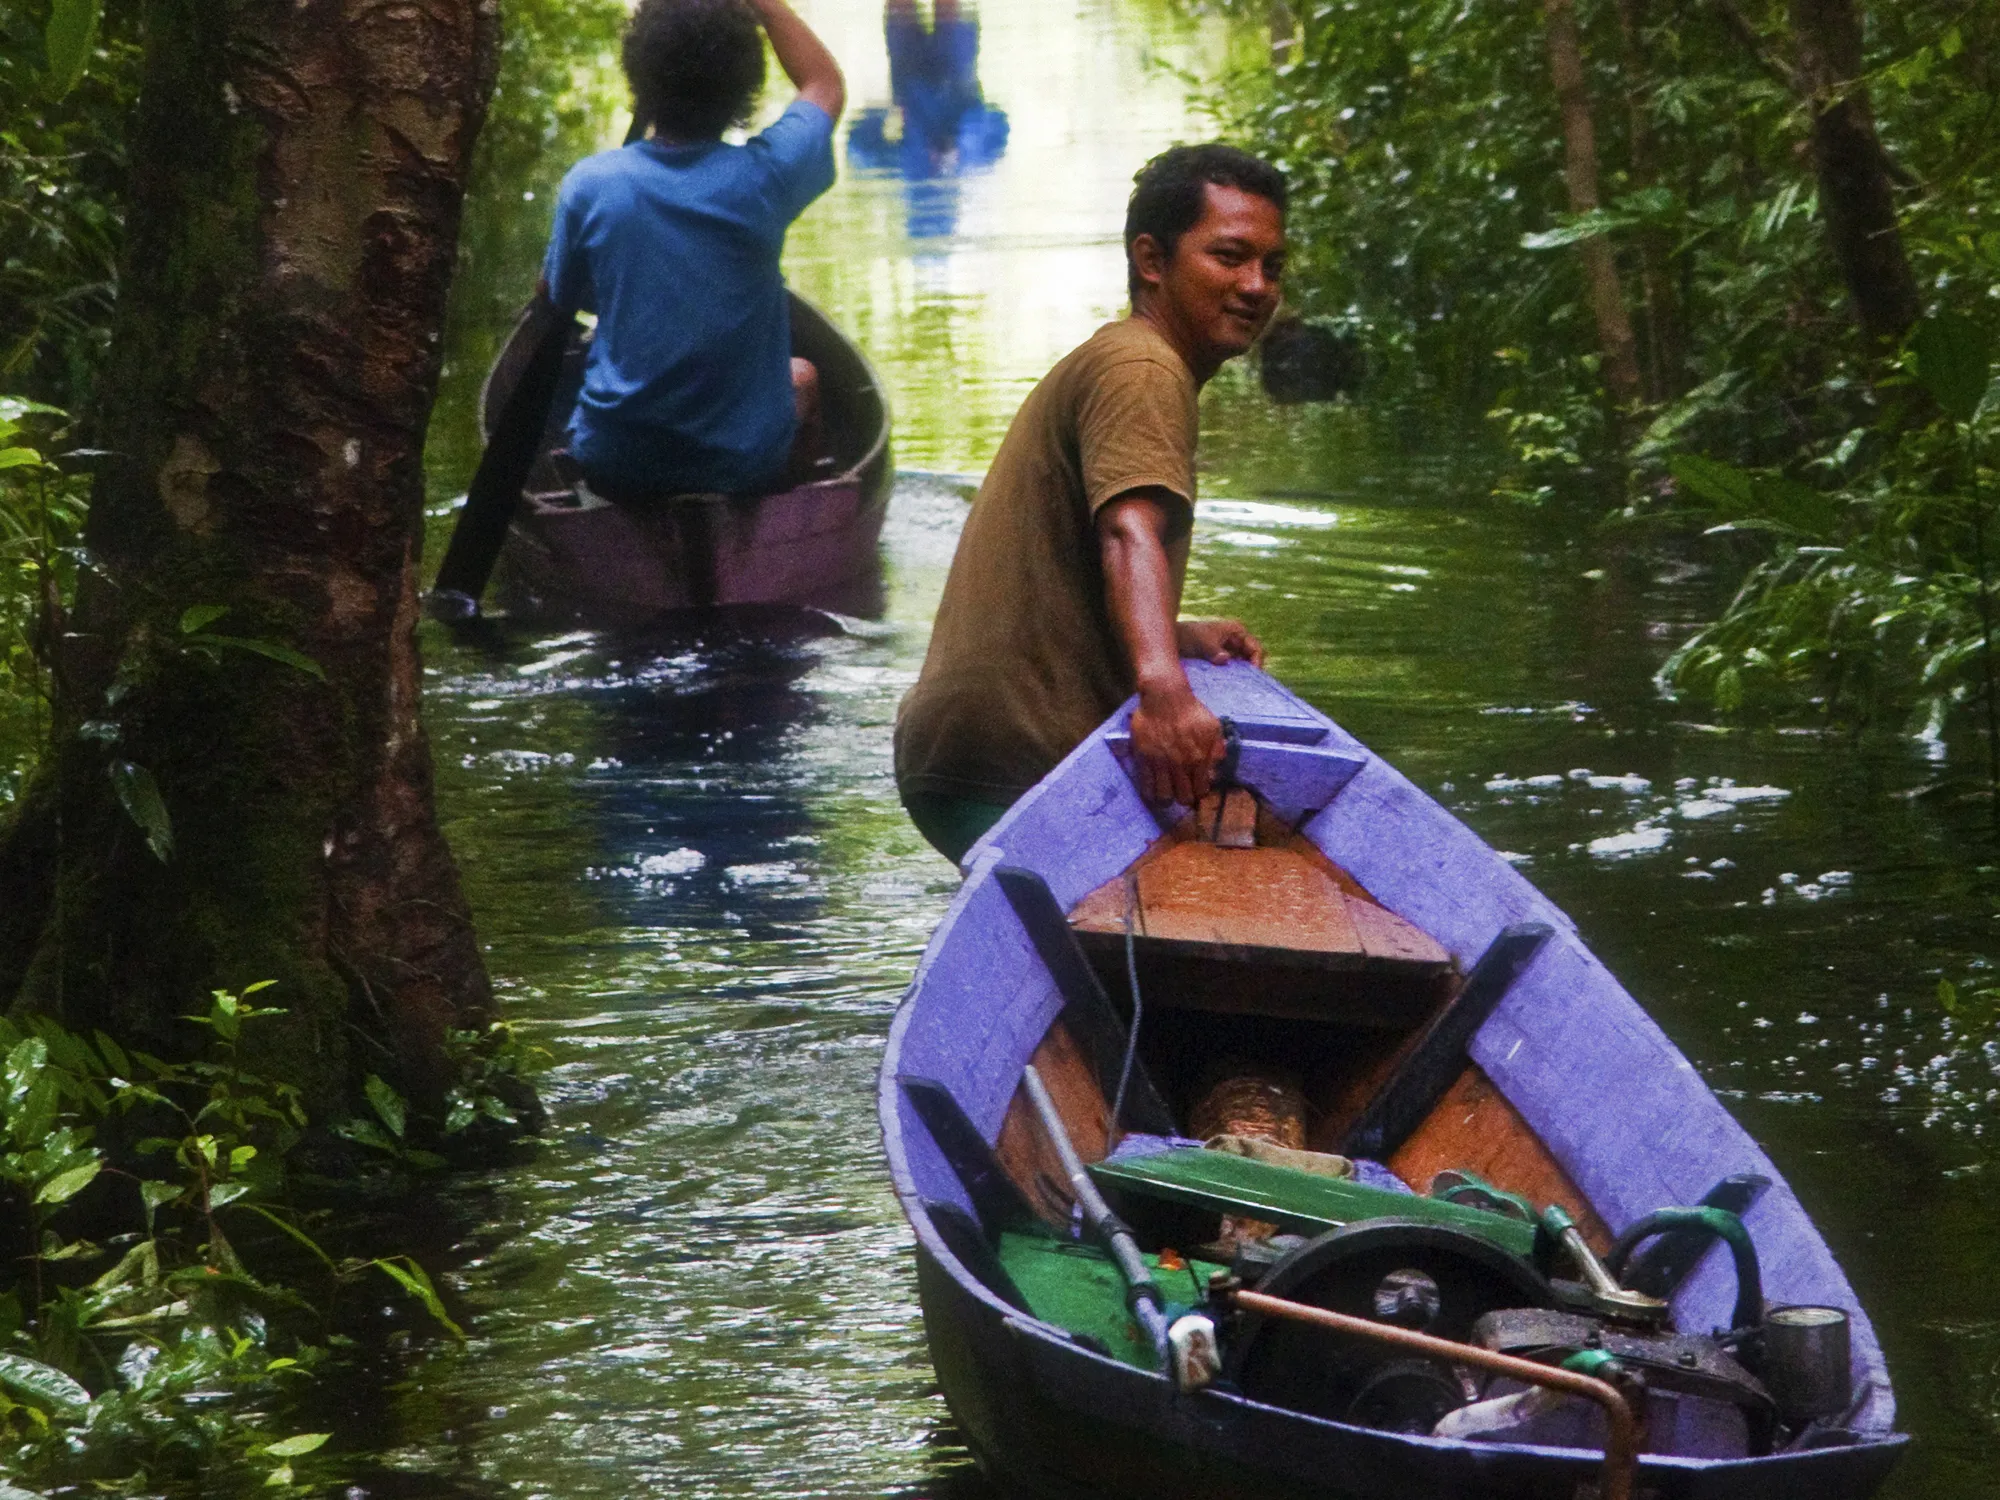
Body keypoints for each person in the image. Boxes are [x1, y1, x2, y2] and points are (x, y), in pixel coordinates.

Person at [894, 144, 1288, 863]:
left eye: (1273, 266)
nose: (1257, 286)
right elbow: (1126, 530)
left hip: (962, 754)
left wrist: (1176, 632)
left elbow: (1075, 558)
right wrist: (1164, 687)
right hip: (1013, 763)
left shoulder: (1124, 358)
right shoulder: (1143, 367)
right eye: (1230, 257)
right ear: (1151, 261)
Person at [537, 0, 846, 502]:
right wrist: (764, 5)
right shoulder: (767, 178)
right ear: (744, 87)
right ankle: (789, 506)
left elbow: (555, 298)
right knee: (803, 377)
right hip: (743, 464)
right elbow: (823, 84)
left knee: (593, 355)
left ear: (639, 79)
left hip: (615, 462)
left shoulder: (591, 185)